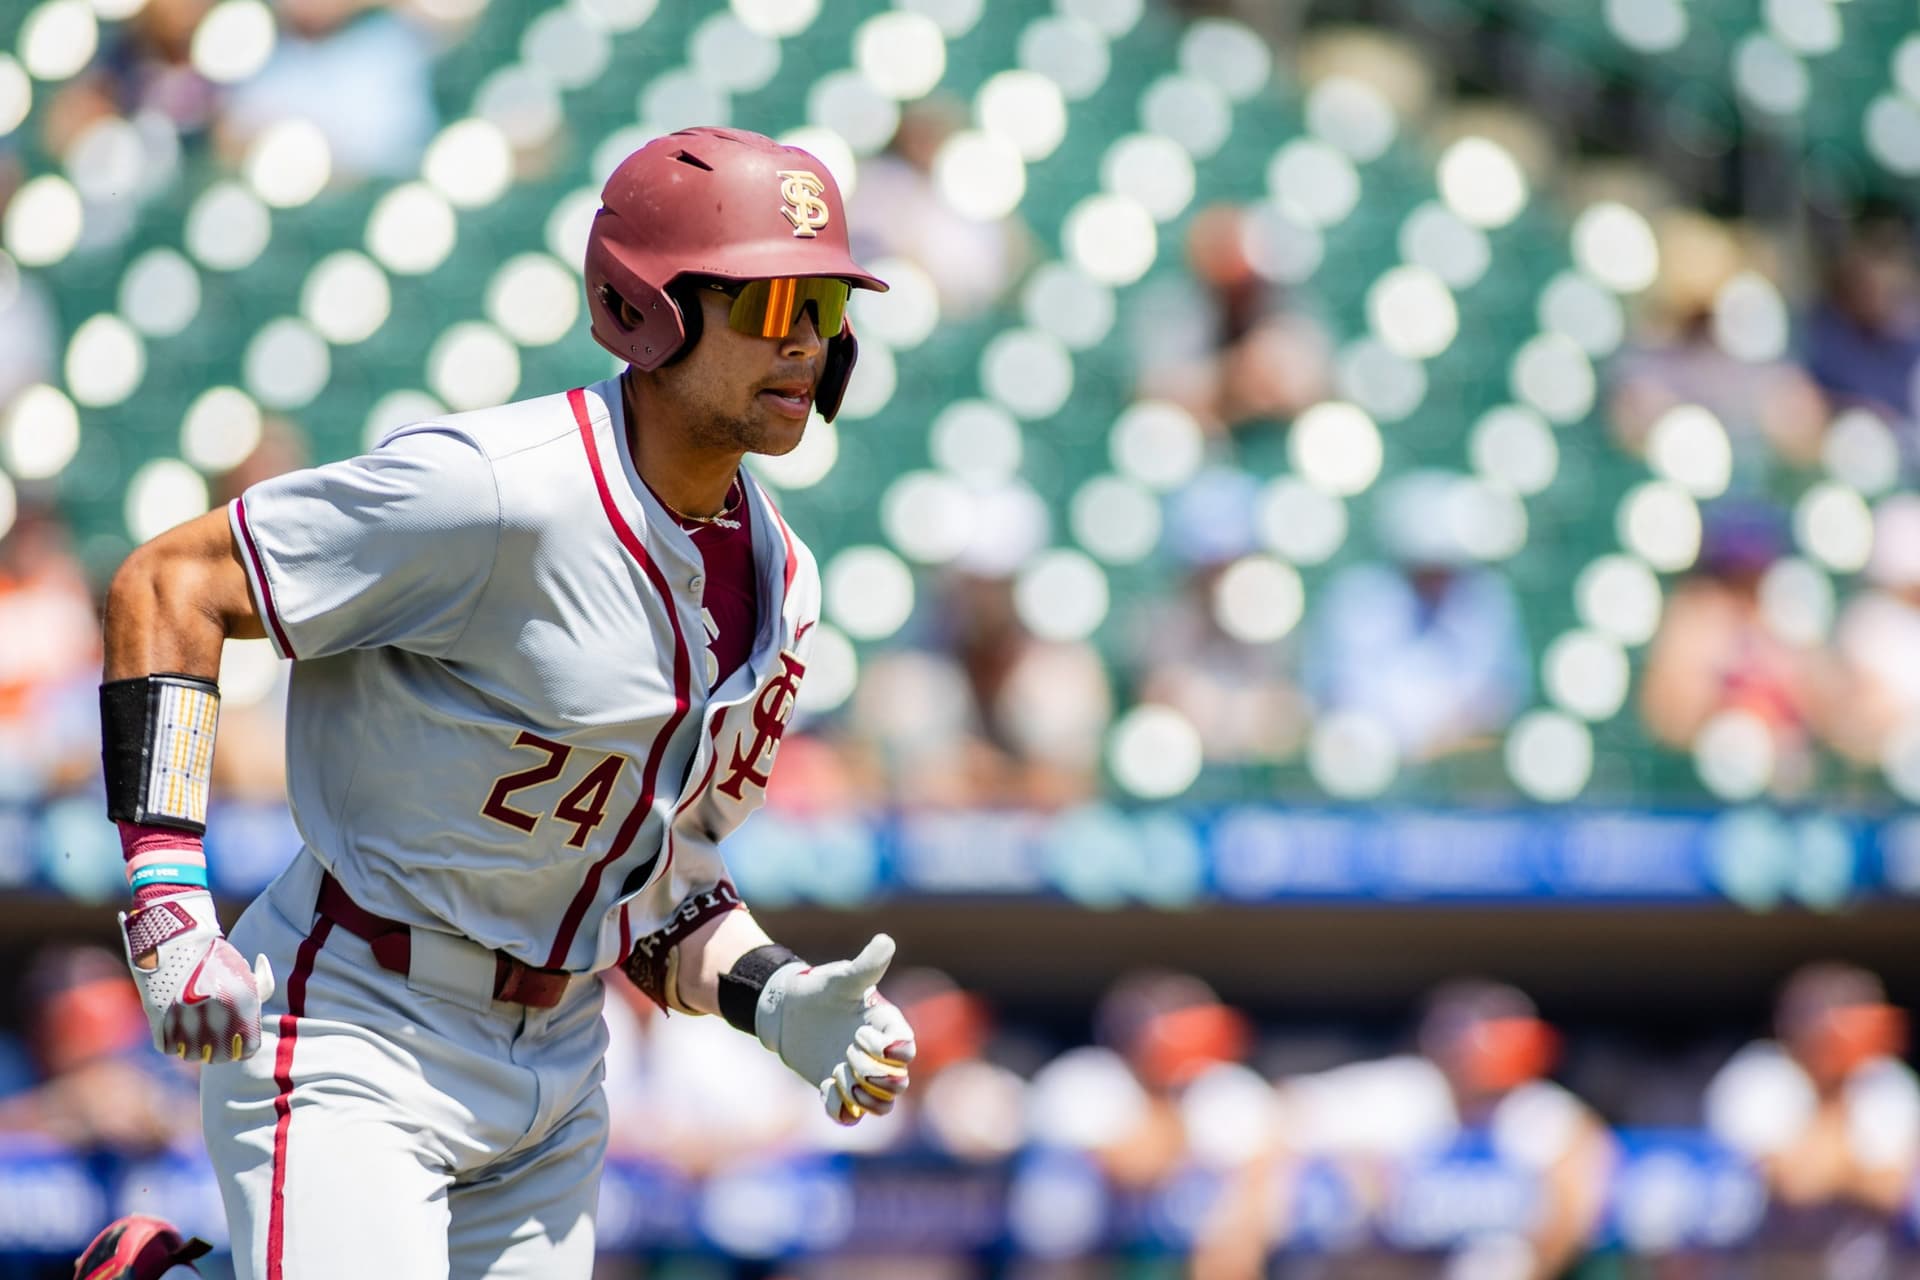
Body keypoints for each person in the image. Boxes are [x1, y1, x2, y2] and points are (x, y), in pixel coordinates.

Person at [76, 126, 917, 1279]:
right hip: (357, 1012)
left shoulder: (784, 581)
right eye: (774, 305)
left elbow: (655, 892)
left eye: (824, 302)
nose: (811, 343)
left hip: (561, 1066)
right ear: (653, 308)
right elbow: (171, 584)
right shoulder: (492, 489)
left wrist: (772, 994)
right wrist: (167, 895)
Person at [1703, 962, 1919, 1275]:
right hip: (1765, 1267)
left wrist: (1835, 1171)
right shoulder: (1757, 1077)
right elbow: (1796, 1187)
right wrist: (1834, 1094)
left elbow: (1889, 1193)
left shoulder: (1888, 1082)